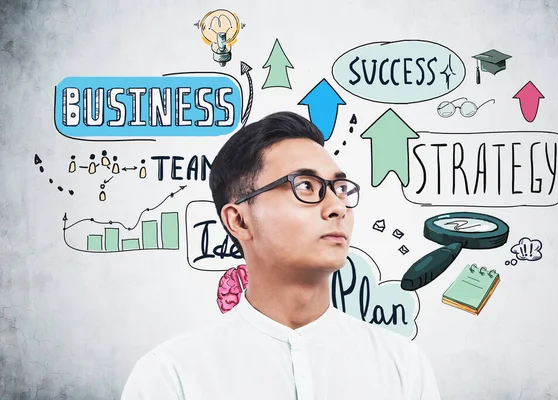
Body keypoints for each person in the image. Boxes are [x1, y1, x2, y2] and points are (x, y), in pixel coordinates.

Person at [121, 111, 441, 399]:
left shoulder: (403, 366)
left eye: (341, 188)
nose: (337, 208)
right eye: (305, 185)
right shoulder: (170, 376)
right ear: (240, 220)